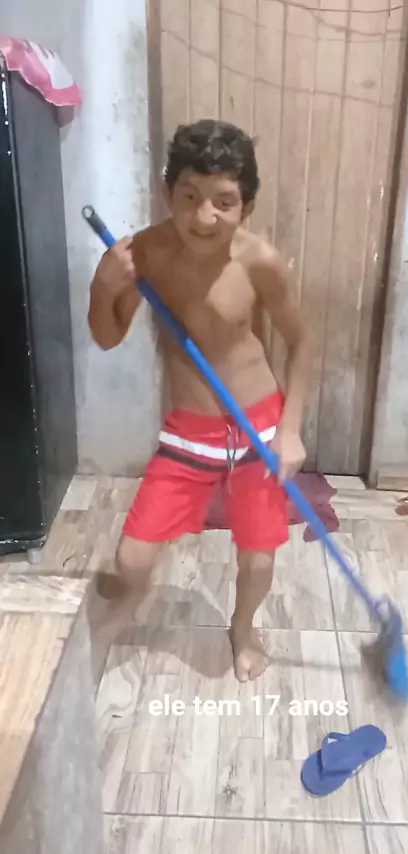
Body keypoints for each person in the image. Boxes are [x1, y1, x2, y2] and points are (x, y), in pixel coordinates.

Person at [88, 119, 311, 681]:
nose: (204, 216)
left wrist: (290, 430)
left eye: (223, 202)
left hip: (259, 429)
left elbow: (303, 343)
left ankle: (243, 627)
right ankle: (129, 601)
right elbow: (106, 335)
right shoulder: (146, 254)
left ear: (247, 206)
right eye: (188, 197)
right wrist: (104, 286)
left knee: (257, 560)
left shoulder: (260, 262)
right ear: (169, 193)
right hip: (189, 432)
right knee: (131, 558)